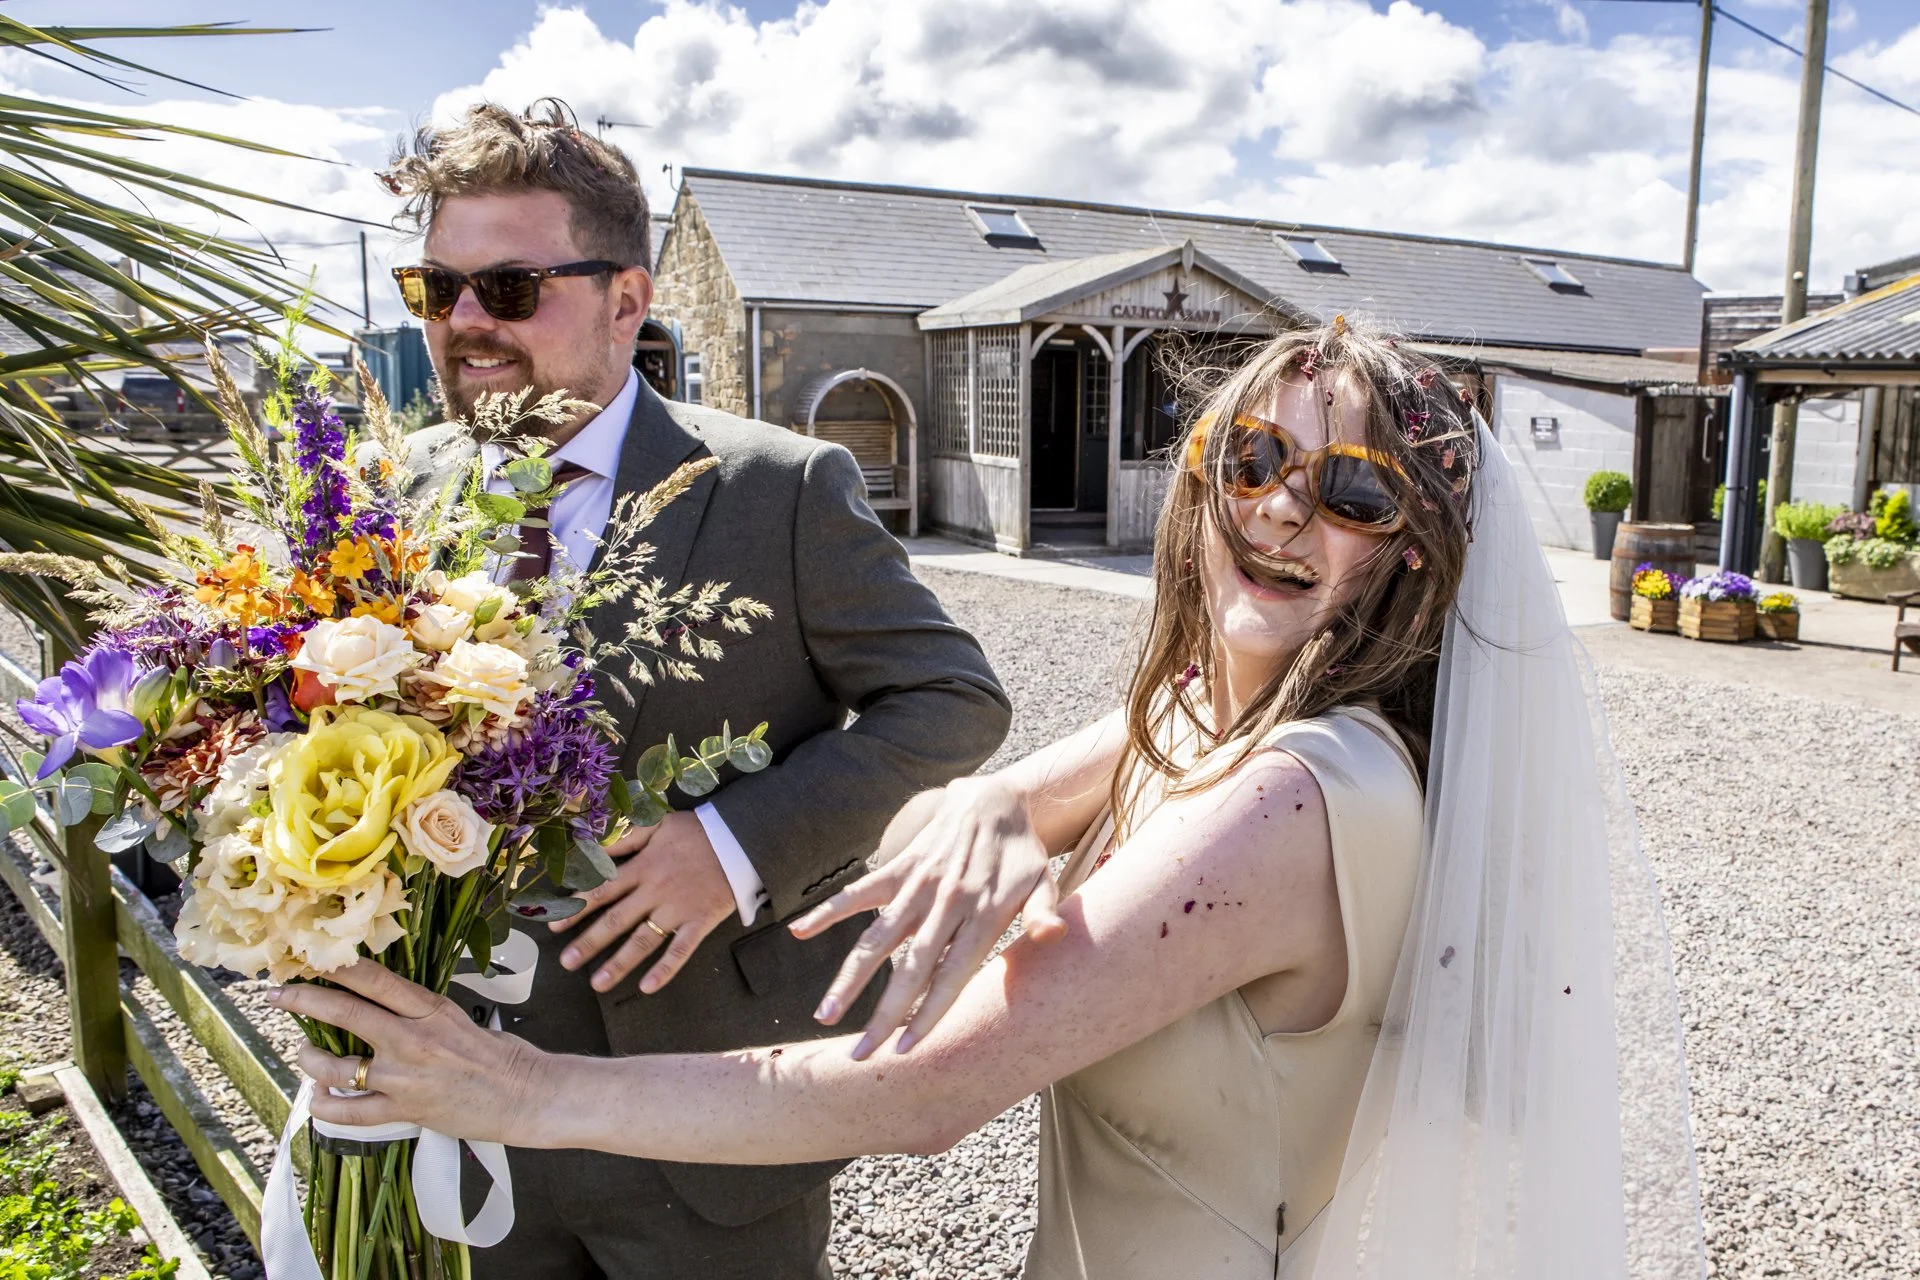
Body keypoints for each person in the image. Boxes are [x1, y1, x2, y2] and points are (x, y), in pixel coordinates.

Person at [276, 319, 1706, 1279]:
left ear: (1410, 552)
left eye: (1352, 491)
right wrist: (991, 805)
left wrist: (527, 1092)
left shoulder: (1285, 806)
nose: (1282, 510)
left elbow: (921, 1094)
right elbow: (1045, 768)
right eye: (1256, 461)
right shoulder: (1214, 714)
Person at [376, 98, 1014, 1278]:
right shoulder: (391, 492)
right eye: (436, 289)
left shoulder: (782, 487)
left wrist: (731, 841)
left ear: (629, 297)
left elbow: (954, 697)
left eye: (509, 288)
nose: (465, 322)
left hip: (708, 1112)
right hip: (462, 1117)